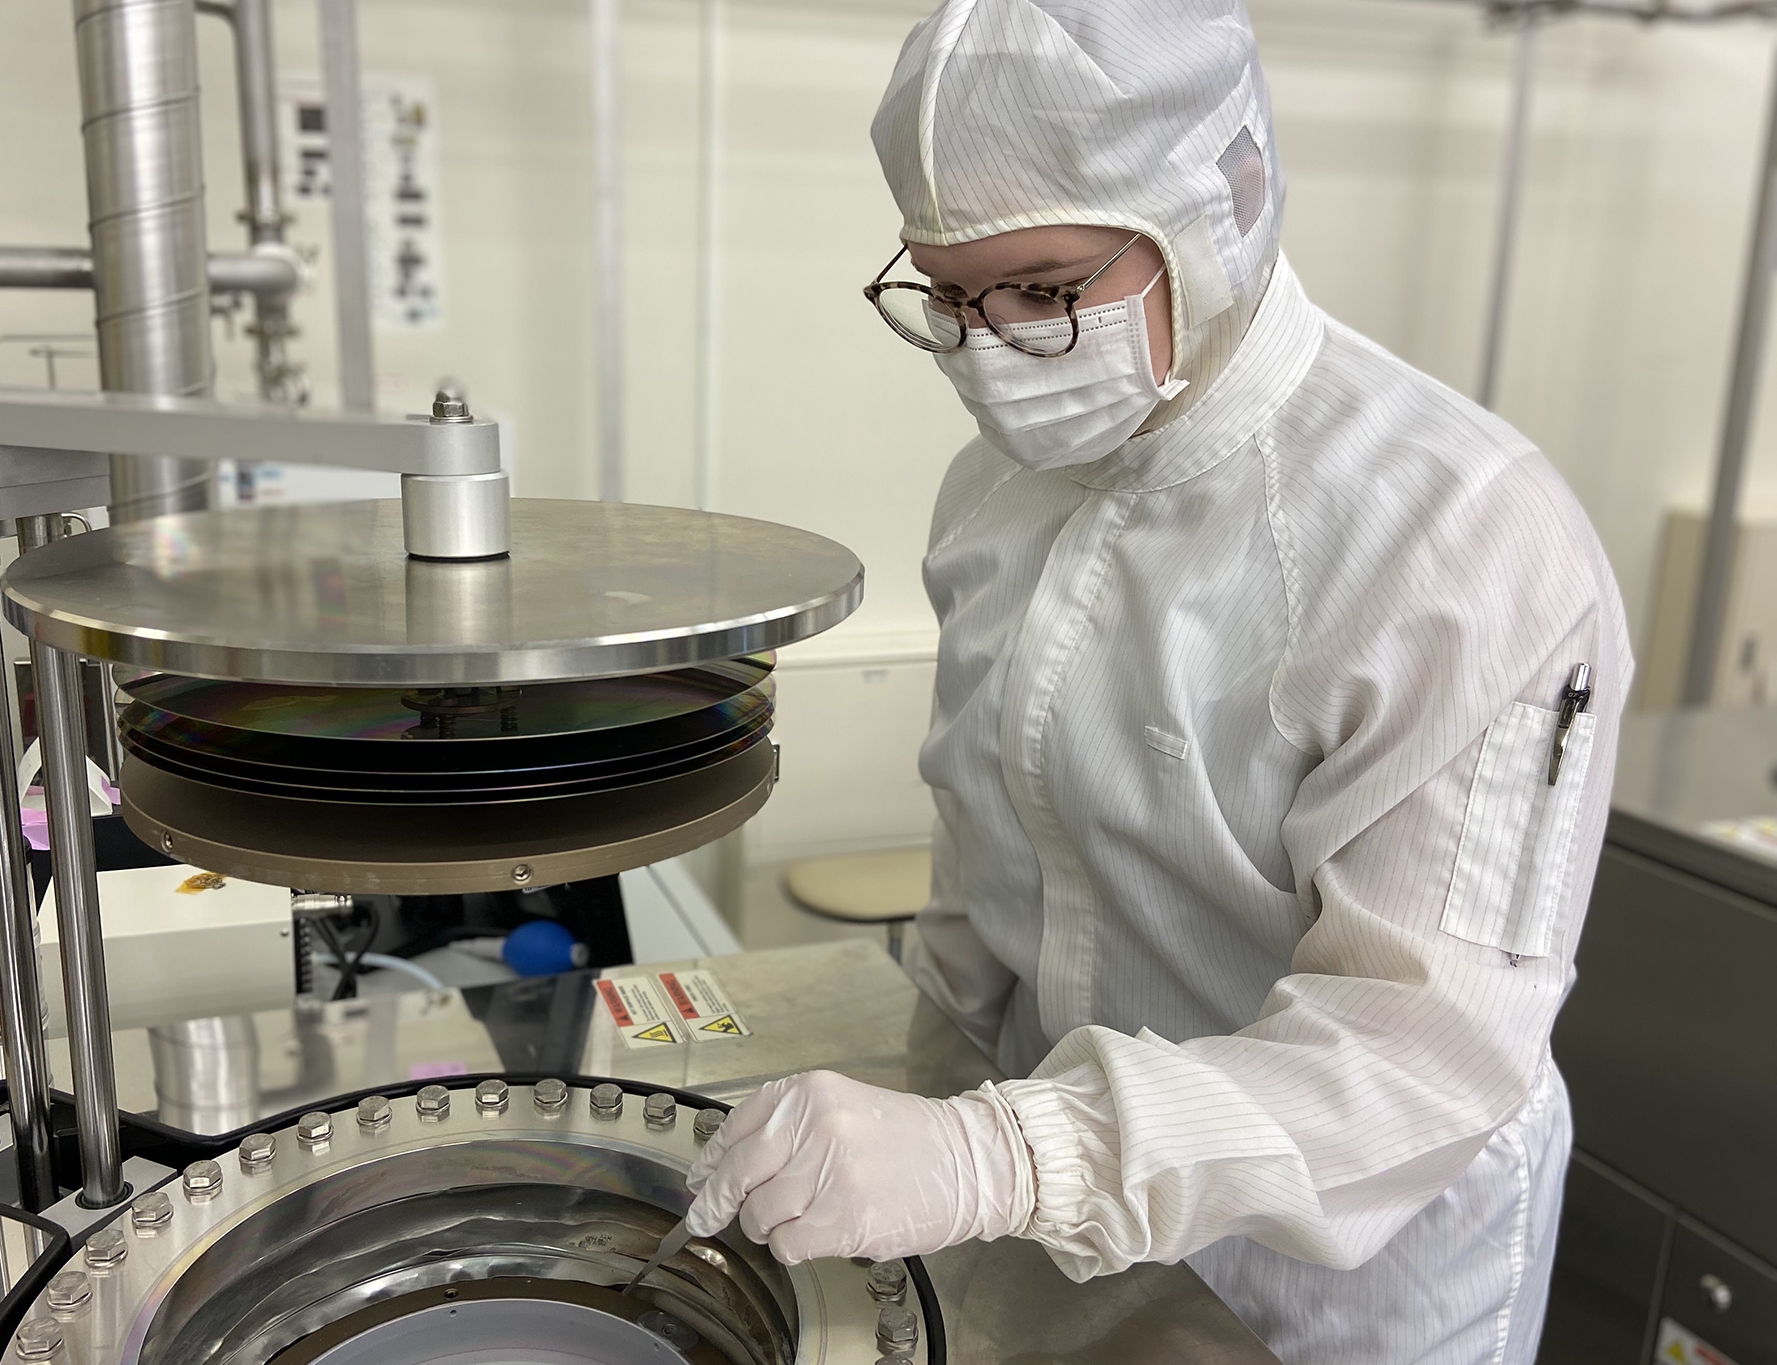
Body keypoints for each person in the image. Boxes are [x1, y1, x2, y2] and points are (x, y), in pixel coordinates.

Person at [682, 2, 1632, 1361]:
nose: (991, 351)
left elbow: (1422, 1054)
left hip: (1334, 1277)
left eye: (1048, 292)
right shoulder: (996, 498)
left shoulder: (1461, 536)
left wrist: (993, 1155)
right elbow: (985, 858)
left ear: (1222, 205)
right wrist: (923, 1112)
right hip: (1061, 1232)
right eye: (947, 298)